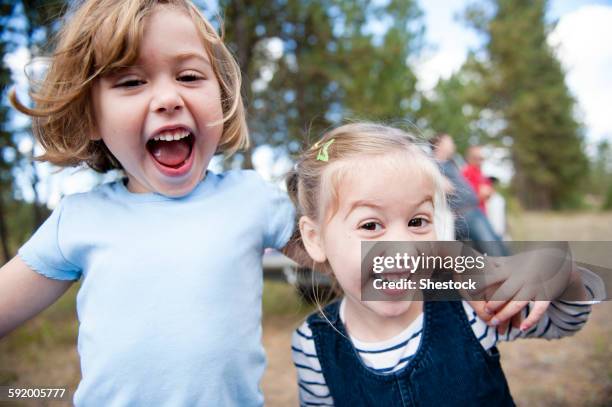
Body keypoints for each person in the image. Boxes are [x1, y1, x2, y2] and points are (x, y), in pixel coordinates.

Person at [0, 1, 294, 405]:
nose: (167, 98)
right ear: (91, 116)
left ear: (222, 98)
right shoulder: (80, 220)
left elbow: (347, 254)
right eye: (131, 82)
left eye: (189, 76)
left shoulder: (250, 199)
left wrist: (412, 273)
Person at [287, 123, 598, 406]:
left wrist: (564, 273)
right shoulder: (313, 346)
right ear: (315, 239)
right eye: (370, 225)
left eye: (418, 220)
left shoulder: (468, 302)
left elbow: (566, 322)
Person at [430, 134, 508, 256]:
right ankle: (507, 269)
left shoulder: (451, 163)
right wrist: (437, 179)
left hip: (474, 210)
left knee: (497, 240)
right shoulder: (432, 165)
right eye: (449, 142)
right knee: (493, 248)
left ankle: (512, 267)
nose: (453, 145)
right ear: (439, 145)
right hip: (464, 214)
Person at [463, 145, 493, 213]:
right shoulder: (467, 172)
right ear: (469, 158)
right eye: (476, 158)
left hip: (481, 211)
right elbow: (467, 198)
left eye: (481, 158)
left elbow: (489, 191)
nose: (480, 161)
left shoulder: (480, 173)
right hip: (472, 212)